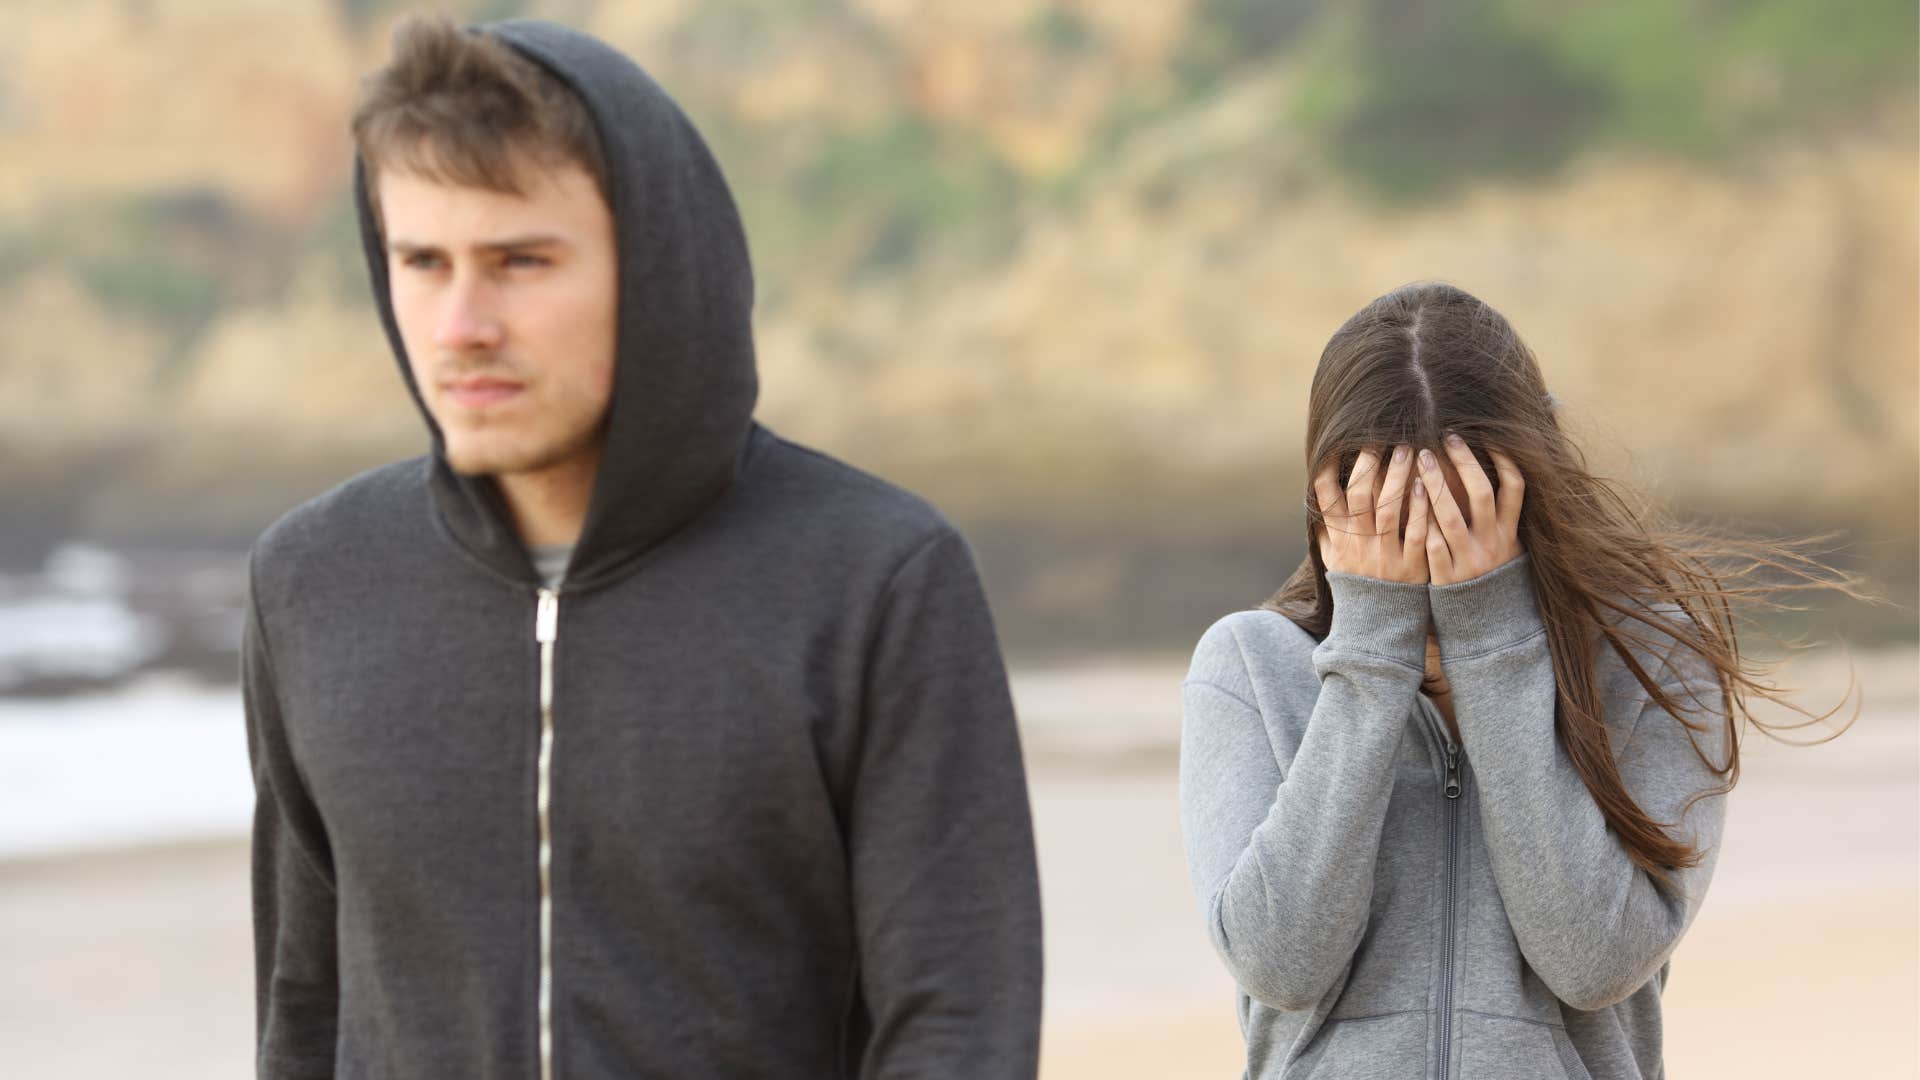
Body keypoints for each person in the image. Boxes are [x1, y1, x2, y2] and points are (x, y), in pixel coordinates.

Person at [241, 14, 1042, 1078]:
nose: (459, 324)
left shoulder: (874, 578)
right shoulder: (313, 581)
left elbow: (957, 1024)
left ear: (657, 266)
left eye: (520, 260)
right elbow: (305, 1007)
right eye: (422, 261)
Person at [1178, 281, 1865, 1078]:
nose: (1425, 545)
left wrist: (1493, 644)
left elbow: (1595, 961)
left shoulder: (1652, 665)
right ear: (1330, 501)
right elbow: (1280, 962)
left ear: (1524, 489)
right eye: (1389, 513)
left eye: (1460, 508)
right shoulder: (1250, 668)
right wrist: (1370, 649)